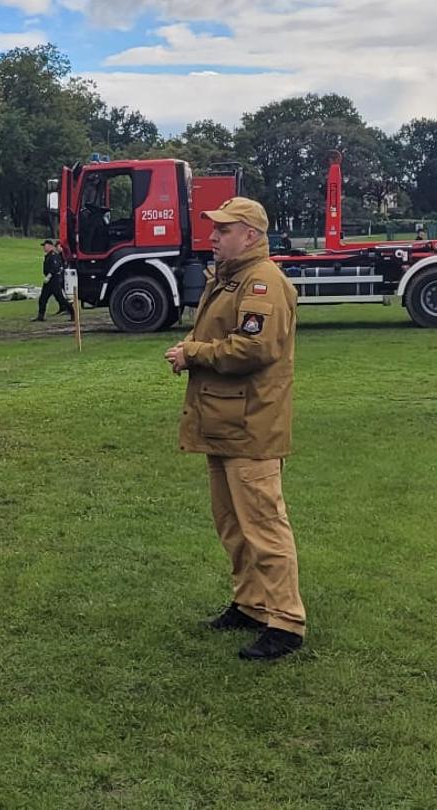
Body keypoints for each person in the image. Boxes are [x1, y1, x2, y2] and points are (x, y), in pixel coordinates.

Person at [164, 196, 305, 662]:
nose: (213, 237)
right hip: (225, 423)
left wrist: (194, 353)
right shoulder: (229, 279)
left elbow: (253, 348)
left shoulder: (262, 282)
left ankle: (285, 622)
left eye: (223, 230)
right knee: (233, 525)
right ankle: (251, 604)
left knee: (263, 526)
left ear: (250, 234)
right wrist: (194, 347)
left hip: (250, 425)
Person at [35, 240, 70, 321]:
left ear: (50, 246)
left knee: (61, 299)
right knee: (43, 299)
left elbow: (55, 267)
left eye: (45, 246)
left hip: (54, 280)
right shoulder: (47, 256)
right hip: (48, 281)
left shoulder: (54, 255)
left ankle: (73, 312)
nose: (44, 247)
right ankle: (40, 316)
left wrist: (49, 276)